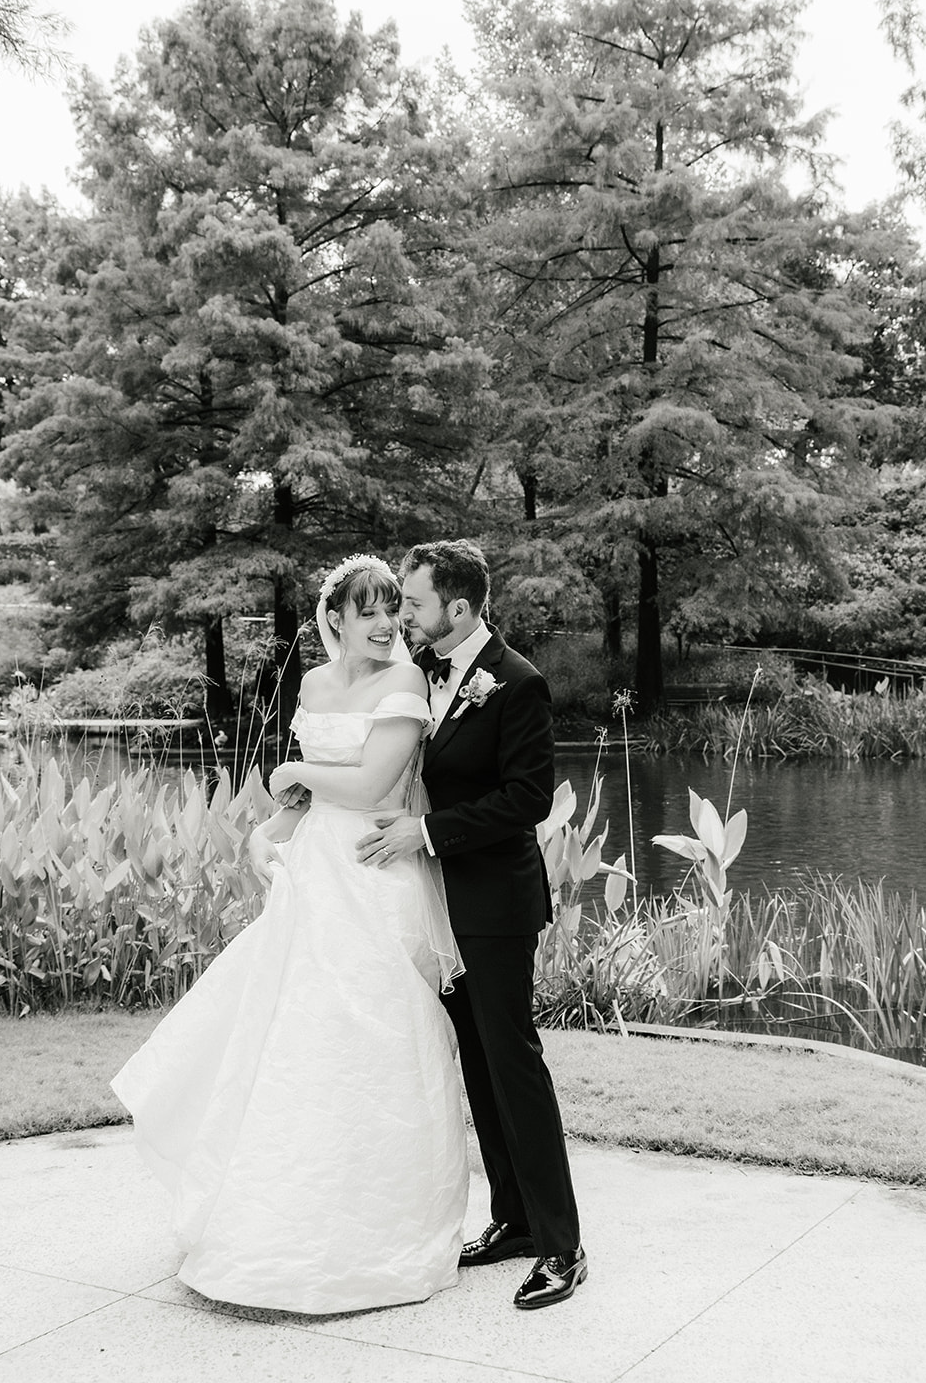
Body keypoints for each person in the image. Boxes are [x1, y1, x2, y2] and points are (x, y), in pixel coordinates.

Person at [110, 555, 468, 1315]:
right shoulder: (310, 684)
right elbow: (305, 803)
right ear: (333, 617)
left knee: (369, 1034)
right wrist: (273, 824)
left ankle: (380, 1227)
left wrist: (288, 771)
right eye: (367, 611)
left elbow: (371, 785)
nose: (383, 625)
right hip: (311, 873)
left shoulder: (404, 684)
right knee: (292, 1041)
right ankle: (272, 1217)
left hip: (371, 872)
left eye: (392, 611)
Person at [356, 539, 586, 1311]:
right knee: (478, 1068)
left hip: (492, 907)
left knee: (514, 1066)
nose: (403, 615)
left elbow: (525, 799)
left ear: (457, 608)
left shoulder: (517, 683)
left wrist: (426, 833)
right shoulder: (422, 673)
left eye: (414, 603)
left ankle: (562, 1246)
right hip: (436, 906)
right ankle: (513, 1221)